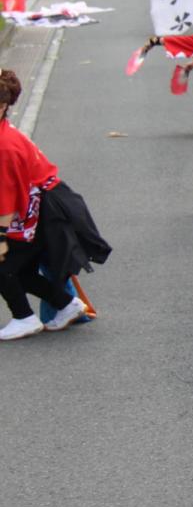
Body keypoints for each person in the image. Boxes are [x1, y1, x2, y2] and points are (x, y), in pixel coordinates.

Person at [0, 70, 111, 340]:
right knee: (22, 271)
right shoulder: (5, 131)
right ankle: (67, 304)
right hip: (46, 204)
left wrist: (1, 238)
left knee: (5, 266)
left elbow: (6, 199)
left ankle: (24, 318)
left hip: (40, 210)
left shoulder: (4, 145)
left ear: (3, 105)